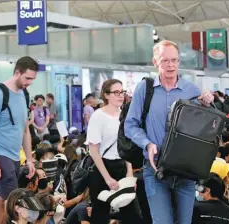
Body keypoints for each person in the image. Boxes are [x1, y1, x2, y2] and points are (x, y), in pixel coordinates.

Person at [124, 40, 214, 224]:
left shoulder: (191, 90)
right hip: (155, 169)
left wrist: (208, 102)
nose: (171, 65)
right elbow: (130, 125)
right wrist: (147, 143)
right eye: (165, 60)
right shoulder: (145, 89)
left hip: (185, 170)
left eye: (175, 60)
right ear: (155, 62)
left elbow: (205, 127)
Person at [0, 56, 38, 224]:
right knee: (16, 206)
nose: (29, 82)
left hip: (13, 156)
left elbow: (25, 130)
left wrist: (29, 159)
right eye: (27, 78)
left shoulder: (24, 95)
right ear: (17, 72)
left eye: (32, 79)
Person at [87, 79, 142, 224]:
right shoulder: (98, 116)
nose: (120, 95)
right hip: (102, 169)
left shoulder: (125, 115)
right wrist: (107, 178)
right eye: (116, 92)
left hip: (122, 166)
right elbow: (94, 150)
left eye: (122, 92)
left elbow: (127, 147)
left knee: (133, 215)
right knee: (100, 215)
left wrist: (129, 173)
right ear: (106, 95)